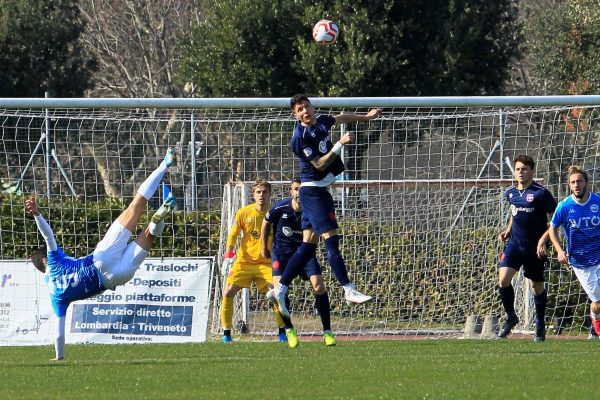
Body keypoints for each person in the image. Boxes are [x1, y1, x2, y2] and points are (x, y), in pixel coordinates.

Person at [26, 148, 177, 361]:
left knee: (148, 237)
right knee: (136, 205)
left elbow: (59, 333)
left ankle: (161, 213)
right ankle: (165, 164)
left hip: (113, 278)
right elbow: (49, 236)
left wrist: (59, 356)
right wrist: (36, 214)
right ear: (44, 260)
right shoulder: (53, 259)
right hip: (100, 258)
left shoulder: (55, 297)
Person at [270, 94, 380, 317]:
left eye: (306, 106)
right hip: (313, 192)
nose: (305, 111)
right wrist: (340, 144)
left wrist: (366, 118)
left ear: (312, 107)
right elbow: (320, 165)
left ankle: (280, 288)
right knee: (332, 241)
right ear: (295, 114)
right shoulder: (298, 138)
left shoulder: (320, 121)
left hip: (318, 191)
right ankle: (348, 289)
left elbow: (340, 117)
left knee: (308, 246)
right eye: (300, 109)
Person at [261, 178, 336, 348]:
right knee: (279, 292)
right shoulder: (280, 208)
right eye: (295, 189)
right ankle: (289, 330)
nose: (298, 193)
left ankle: (328, 332)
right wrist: (263, 246)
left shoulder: (312, 211)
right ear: (291, 191)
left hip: (305, 254)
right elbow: (266, 223)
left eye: (301, 189)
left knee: (319, 286)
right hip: (282, 255)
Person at [497, 155, 557, 342]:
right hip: (515, 244)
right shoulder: (511, 193)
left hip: (535, 247)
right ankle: (511, 316)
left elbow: (556, 221)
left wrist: (543, 241)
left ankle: (539, 324)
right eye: (517, 169)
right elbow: (515, 213)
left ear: (531, 171)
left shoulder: (541, 193)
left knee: (536, 286)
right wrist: (508, 229)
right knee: (503, 280)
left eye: (524, 169)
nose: (520, 172)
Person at [220, 179, 286, 343]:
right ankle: (227, 334)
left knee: (277, 295)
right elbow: (233, 234)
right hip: (245, 261)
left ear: (270, 195)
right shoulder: (244, 212)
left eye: (265, 192)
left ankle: (282, 332)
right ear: (253, 195)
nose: (261, 195)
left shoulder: (276, 212)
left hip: (267, 262)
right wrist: (229, 253)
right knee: (228, 291)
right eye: (258, 192)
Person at [549, 166, 600, 338]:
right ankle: (595, 318)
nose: (576, 185)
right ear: (569, 185)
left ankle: (596, 330)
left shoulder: (597, 201)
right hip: (580, 261)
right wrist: (559, 250)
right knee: (597, 303)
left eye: (579, 181)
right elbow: (552, 229)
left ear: (586, 182)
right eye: (573, 182)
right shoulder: (565, 206)